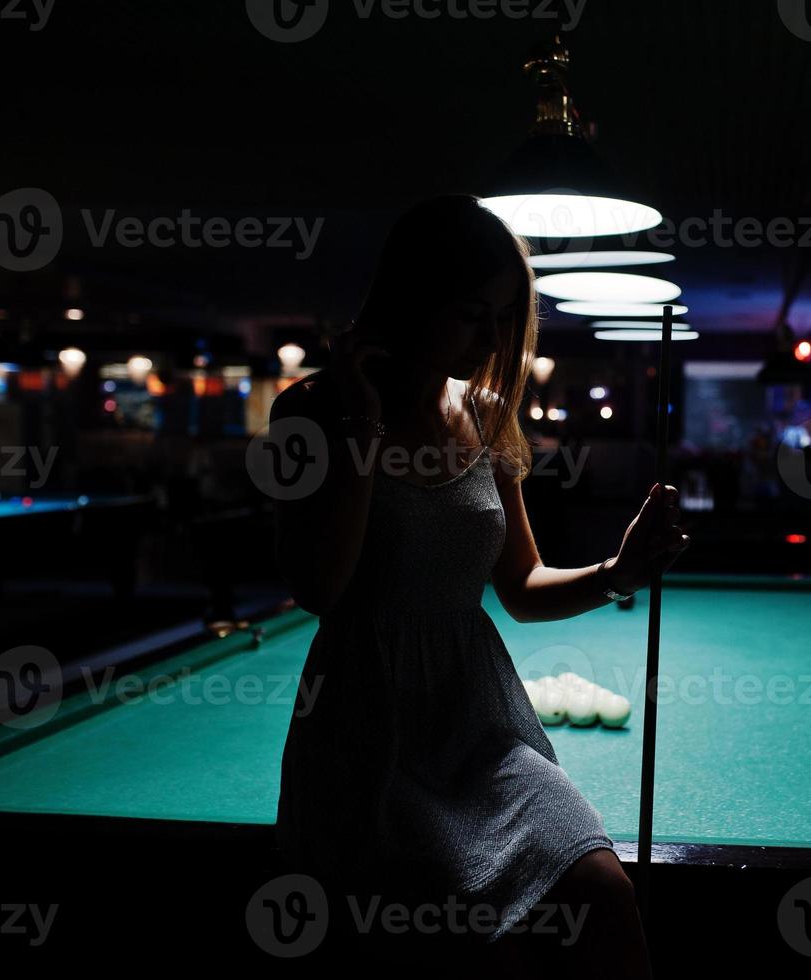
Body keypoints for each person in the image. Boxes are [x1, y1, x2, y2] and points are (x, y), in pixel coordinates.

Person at [271, 194, 687, 976]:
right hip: (366, 720)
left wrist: (618, 573)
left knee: (602, 887)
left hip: (482, 718)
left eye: (504, 318)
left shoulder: (489, 414)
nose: (493, 339)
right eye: (472, 314)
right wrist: (361, 426)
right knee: (450, 940)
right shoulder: (313, 412)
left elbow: (524, 587)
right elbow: (321, 588)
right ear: (412, 300)